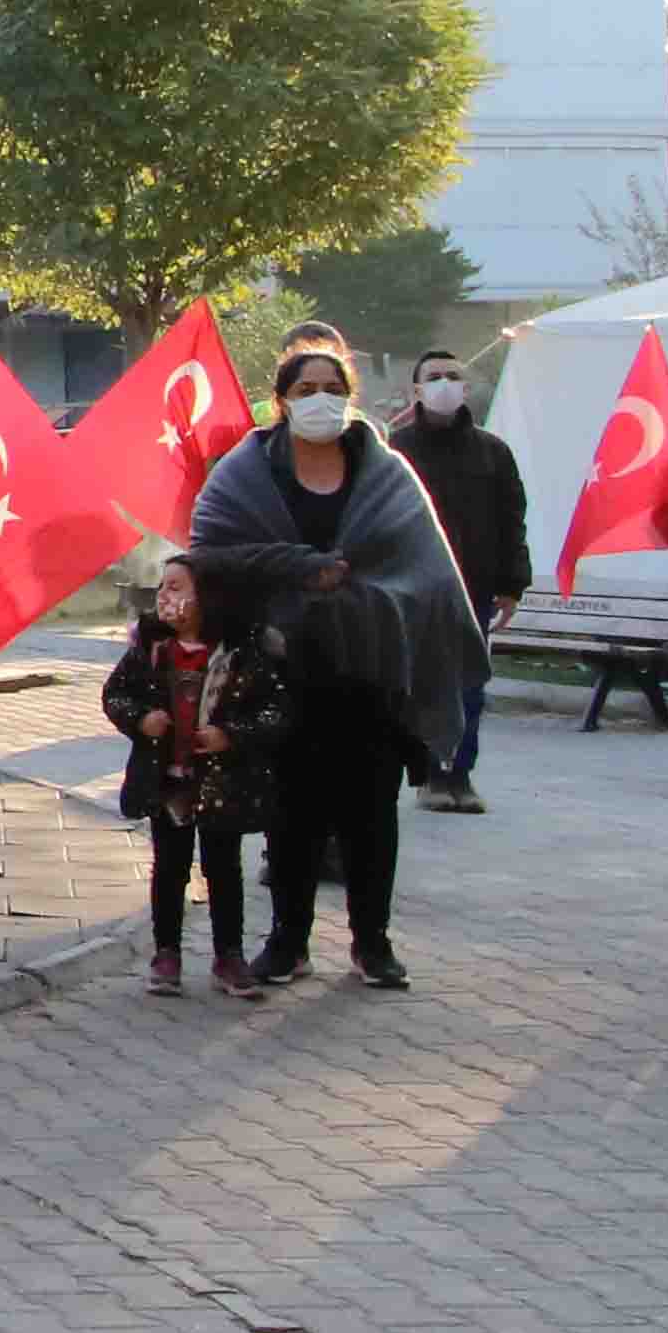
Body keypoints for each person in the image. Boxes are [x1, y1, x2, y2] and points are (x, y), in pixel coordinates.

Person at [185, 338, 486, 993]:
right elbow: (210, 556)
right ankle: (288, 943)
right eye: (305, 390)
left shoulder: (386, 473)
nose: (321, 400)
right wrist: (297, 574)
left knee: (370, 813)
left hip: (372, 671)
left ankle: (371, 942)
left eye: (332, 388)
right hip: (280, 673)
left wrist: (363, 598)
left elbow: (426, 569)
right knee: (292, 814)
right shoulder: (243, 473)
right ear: (280, 401)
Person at [103, 561, 262, 995]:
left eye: (176, 587)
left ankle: (229, 956)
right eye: (161, 587)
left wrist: (230, 735)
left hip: (219, 784)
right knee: (170, 867)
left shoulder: (238, 652)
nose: (164, 596)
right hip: (167, 781)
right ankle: (166, 953)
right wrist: (141, 719)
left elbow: (271, 710)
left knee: (223, 867)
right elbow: (115, 694)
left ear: (205, 597)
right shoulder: (149, 650)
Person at [387, 346, 529, 817]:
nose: (444, 383)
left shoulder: (493, 452)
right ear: (417, 389)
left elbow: (512, 523)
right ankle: (428, 773)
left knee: (470, 684)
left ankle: (460, 774)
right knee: (418, 683)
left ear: (466, 389)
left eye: (452, 375)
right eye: (434, 376)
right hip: (412, 590)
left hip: (475, 588)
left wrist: (513, 584)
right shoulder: (394, 449)